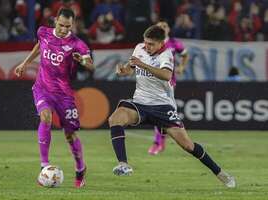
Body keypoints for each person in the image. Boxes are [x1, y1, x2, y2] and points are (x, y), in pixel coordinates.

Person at [108, 25, 236, 188]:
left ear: (161, 44)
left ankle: (220, 173)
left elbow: (167, 75)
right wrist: (122, 70)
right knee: (115, 118)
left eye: (151, 44)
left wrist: (143, 64)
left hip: (162, 107)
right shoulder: (139, 48)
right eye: (146, 42)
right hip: (140, 102)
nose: (147, 47)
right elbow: (129, 69)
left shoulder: (166, 54)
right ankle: (123, 164)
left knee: (188, 145)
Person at [15, 8, 94, 188]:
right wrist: (25, 62)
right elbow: (39, 46)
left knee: (70, 135)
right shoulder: (43, 32)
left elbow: (90, 65)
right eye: (61, 25)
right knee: (46, 117)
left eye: (68, 26)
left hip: (64, 95)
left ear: (72, 24)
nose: (64, 29)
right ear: (55, 20)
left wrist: (81, 60)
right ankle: (44, 165)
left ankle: (80, 168)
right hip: (42, 88)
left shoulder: (77, 43)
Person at [148, 20, 189, 155]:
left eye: (165, 26)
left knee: (161, 112)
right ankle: (159, 142)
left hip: (169, 82)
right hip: (154, 81)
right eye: (160, 26)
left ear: (169, 29)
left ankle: (159, 142)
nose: (162, 28)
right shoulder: (152, 43)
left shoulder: (173, 43)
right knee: (158, 112)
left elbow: (185, 54)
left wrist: (182, 66)